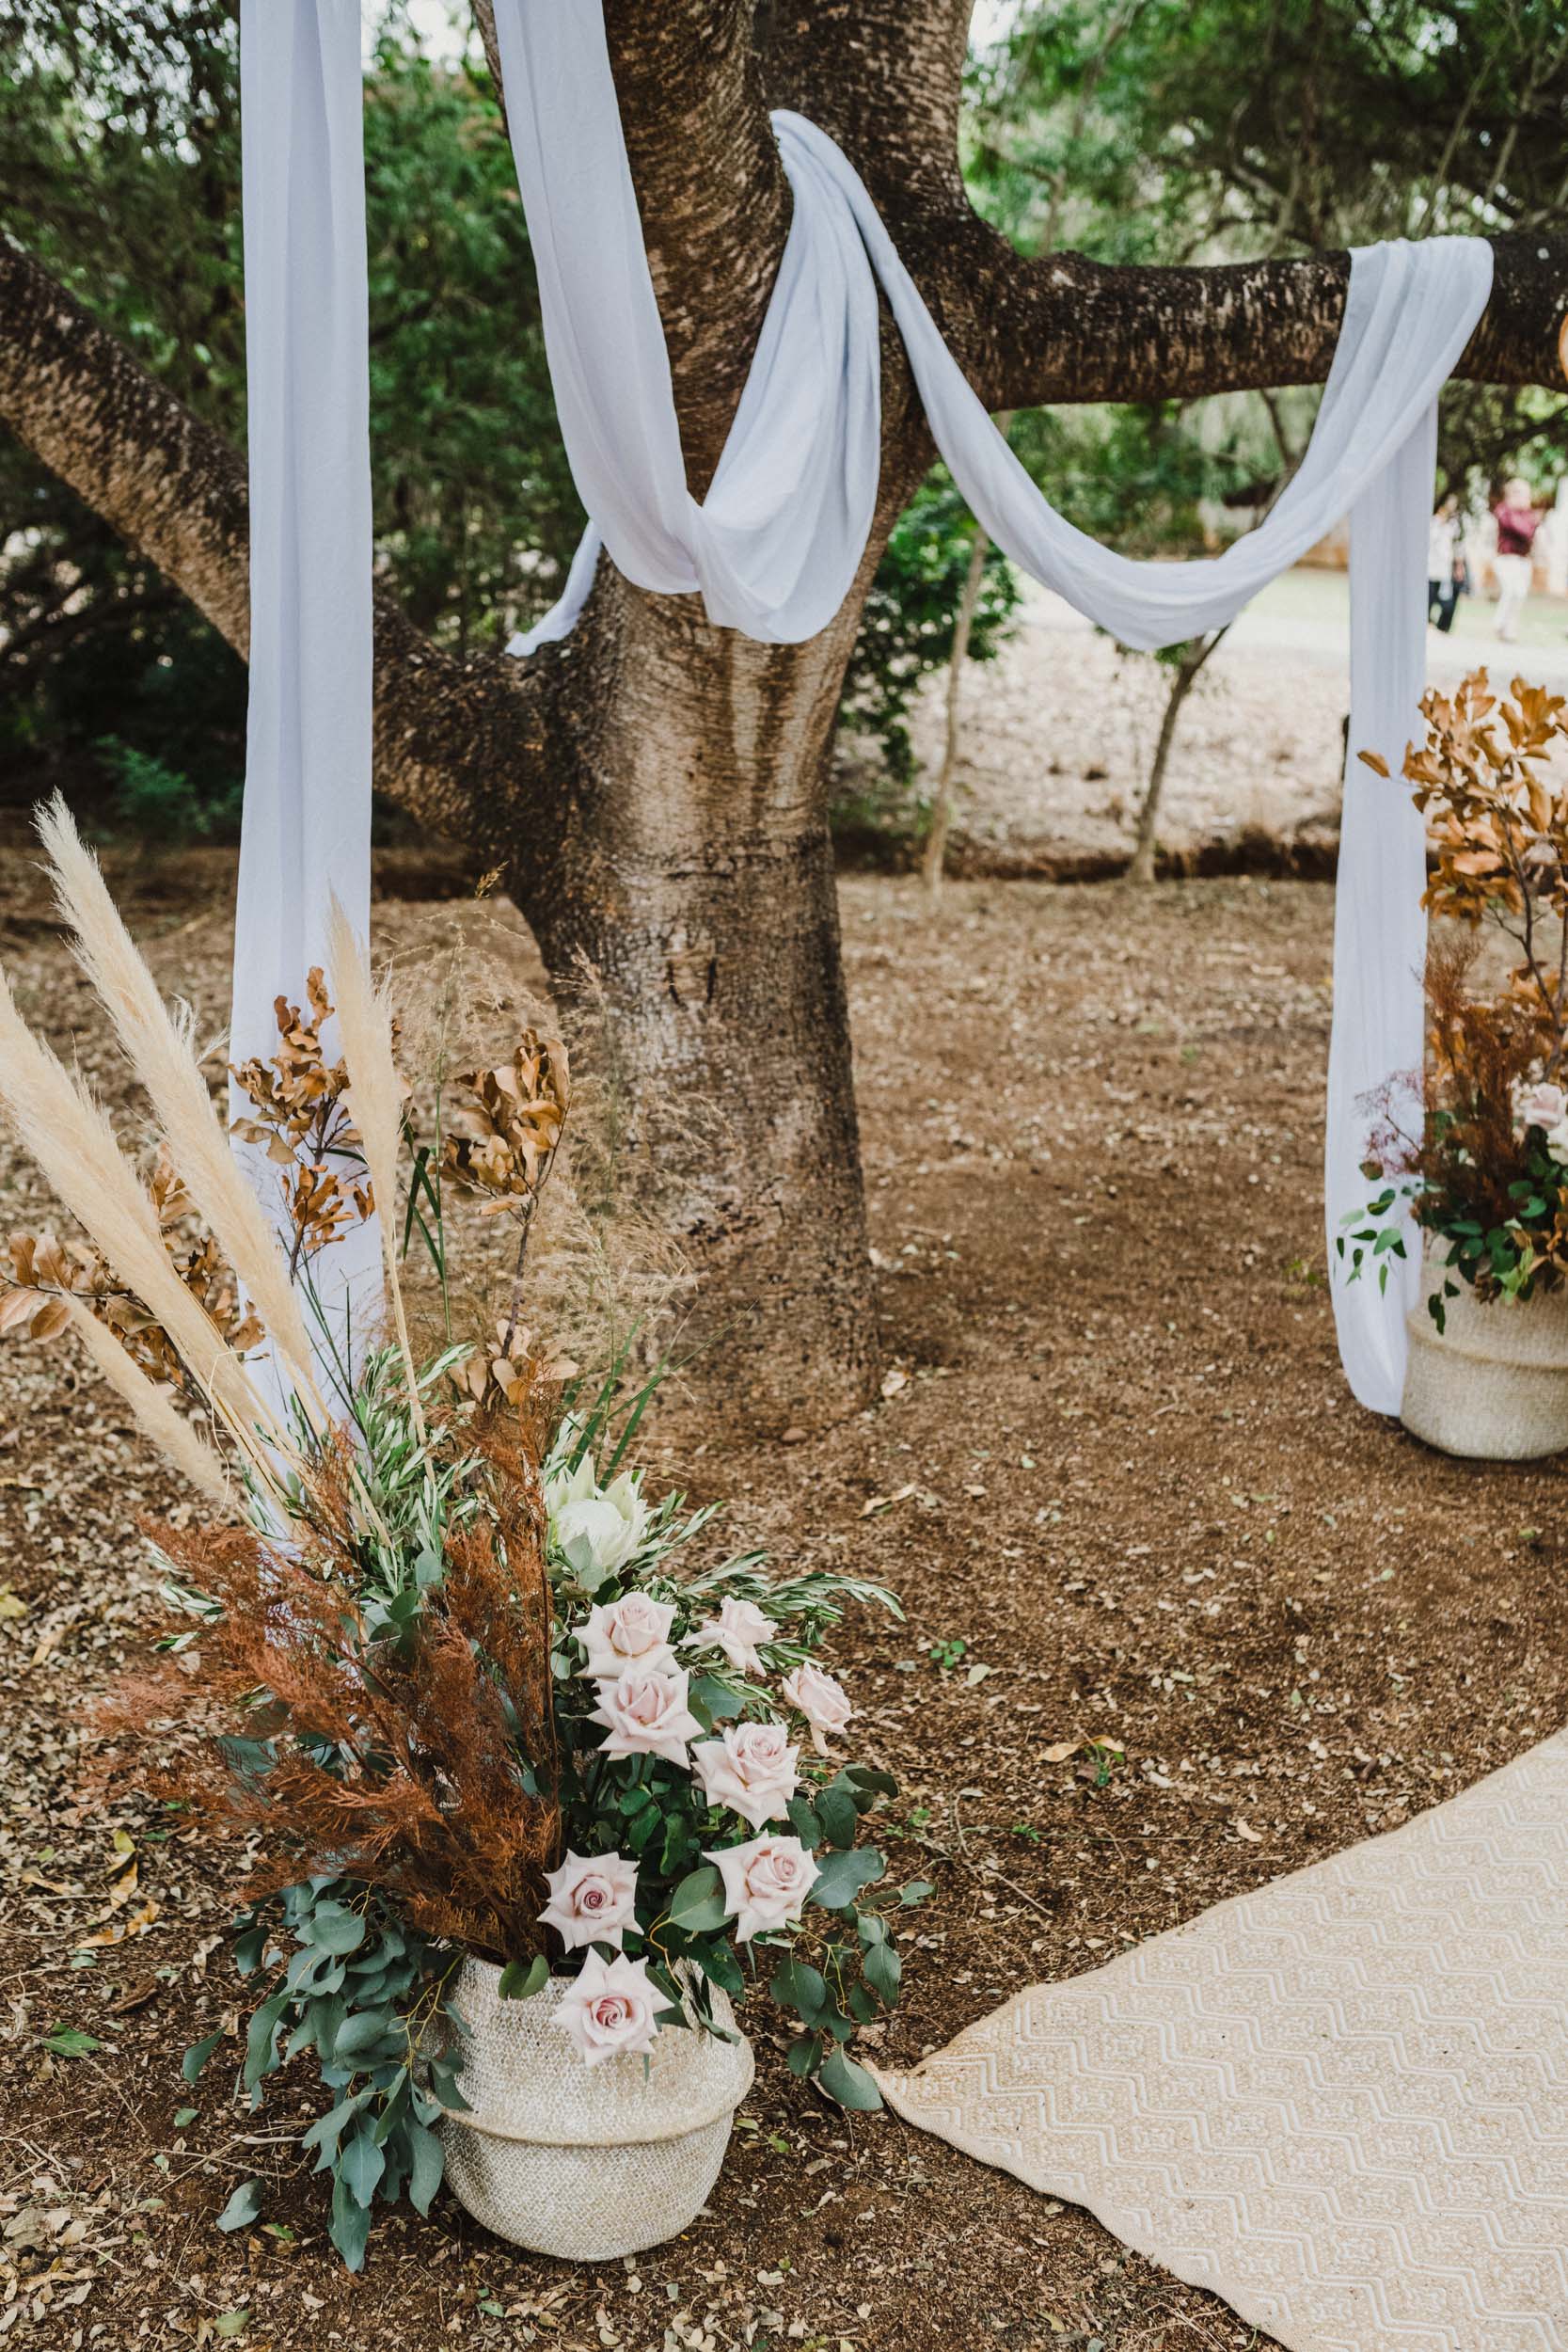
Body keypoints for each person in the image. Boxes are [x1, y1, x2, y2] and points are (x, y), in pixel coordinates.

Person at [1492, 476, 1542, 642]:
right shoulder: (1504, 510)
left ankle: (1509, 629)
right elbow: (1524, 530)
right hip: (1507, 559)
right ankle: (1498, 624)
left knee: (1520, 593)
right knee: (1510, 590)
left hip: (1523, 560)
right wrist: (1530, 521)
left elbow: (1532, 530)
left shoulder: (1527, 513)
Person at [1427, 496, 1463, 633]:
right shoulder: (1433, 522)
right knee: (1428, 597)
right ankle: (1427, 621)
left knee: (1447, 600)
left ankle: (1443, 626)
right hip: (1430, 567)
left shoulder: (1454, 525)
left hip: (1444, 569)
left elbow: (1457, 545)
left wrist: (1458, 565)